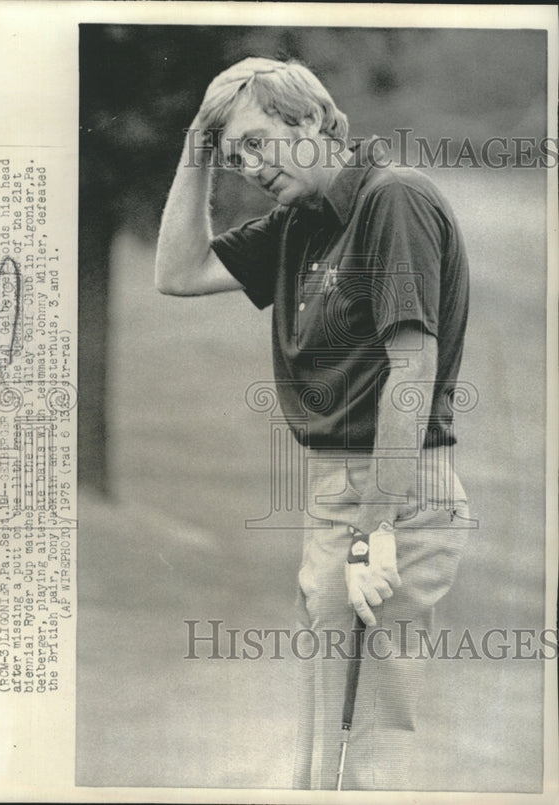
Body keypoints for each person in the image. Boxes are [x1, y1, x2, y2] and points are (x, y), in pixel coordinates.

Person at [155, 57, 472, 790]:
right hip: (341, 493)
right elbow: (177, 271)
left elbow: (412, 369)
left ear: (317, 121)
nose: (250, 168)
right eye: (234, 157)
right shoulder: (303, 222)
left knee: (360, 758)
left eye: (258, 142)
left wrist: (377, 528)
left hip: (394, 493)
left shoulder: (391, 200)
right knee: (323, 762)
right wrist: (195, 150)